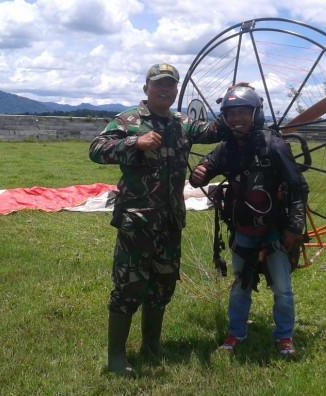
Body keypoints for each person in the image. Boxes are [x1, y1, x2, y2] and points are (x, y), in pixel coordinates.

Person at [89, 63, 226, 376]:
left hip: (171, 221)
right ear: (146, 89)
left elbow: (215, 131)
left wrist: (235, 103)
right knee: (128, 288)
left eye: (170, 86)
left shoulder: (182, 123)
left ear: (176, 91)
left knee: (163, 285)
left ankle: (152, 345)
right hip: (137, 223)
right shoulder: (128, 119)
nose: (165, 90)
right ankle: (116, 358)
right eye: (159, 85)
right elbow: (96, 149)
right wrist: (134, 143)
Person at [189, 82, 309, 358]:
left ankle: (284, 337)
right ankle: (235, 334)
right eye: (231, 114)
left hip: (276, 232)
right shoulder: (227, 147)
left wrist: (294, 227)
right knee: (240, 285)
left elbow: (298, 188)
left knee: (282, 288)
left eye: (243, 112)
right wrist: (201, 171)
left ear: (256, 114)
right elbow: (209, 165)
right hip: (243, 230)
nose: (237, 119)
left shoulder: (273, 145)